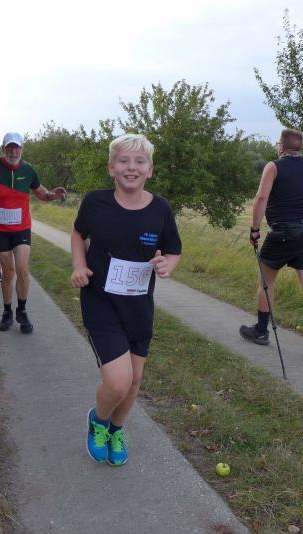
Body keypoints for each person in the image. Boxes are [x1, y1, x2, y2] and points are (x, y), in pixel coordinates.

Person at [71, 133, 182, 466]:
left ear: (150, 169)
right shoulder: (95, 202)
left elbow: (173, 249)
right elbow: (78, 233)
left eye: (139, 161)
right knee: (118, 383)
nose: (131, 167)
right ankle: (99, 421)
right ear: (111, 168)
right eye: (123, 161)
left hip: (138, 307)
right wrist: (79, 265)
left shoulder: (161, 209)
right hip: (100, 302)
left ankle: (116, 430)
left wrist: (167, 265)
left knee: (134, 381)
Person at [239, 128, 303, 361]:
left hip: (281, 233)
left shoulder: (273, 166)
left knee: (266, 281)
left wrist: (255, 229)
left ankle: (261, 331)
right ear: (300, 147)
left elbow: (261, 197)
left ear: (281, 147)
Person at [0, 132, 67, 334]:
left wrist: (52, 195)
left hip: (22, 227)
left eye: (17, 148)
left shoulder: (28, 169)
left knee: (22, 270)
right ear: (3, 149)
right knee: (8, 272)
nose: (13, 151)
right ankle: (7, 312)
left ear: (22, 149)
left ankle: (21, 311)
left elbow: (40, 192)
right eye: (9, 148)